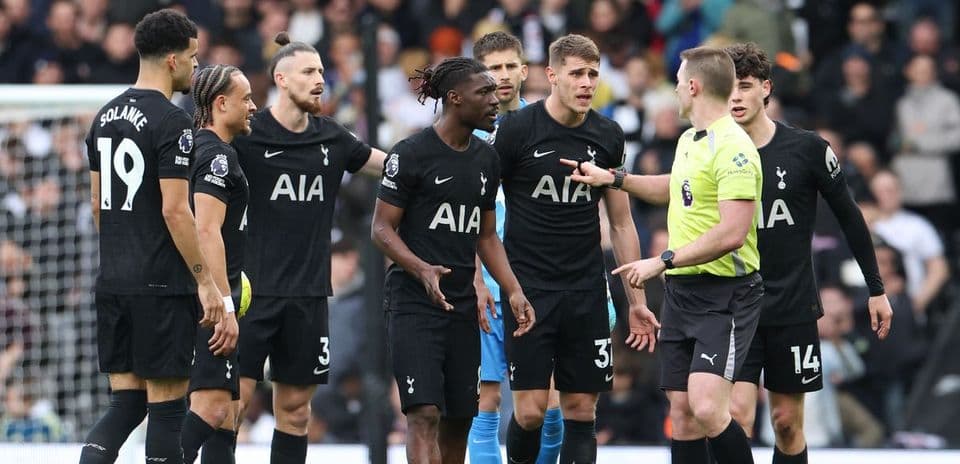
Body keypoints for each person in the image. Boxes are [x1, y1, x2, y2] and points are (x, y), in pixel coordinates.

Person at [564, 46, 762, 464]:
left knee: (707, 407)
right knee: (683, 414)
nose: (674, 89)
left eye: (678, 81)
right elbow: (675, 187)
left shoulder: (735, 147)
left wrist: (662, 260)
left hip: (724, 293)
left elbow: (733, 232)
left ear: (694, 86)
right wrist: (613, 178)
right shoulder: (691, 139)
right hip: (682, 293)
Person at [721, 42, 894, 464]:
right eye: (727, 89)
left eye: (745, 86)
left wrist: (876, 289)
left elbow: (851, 218)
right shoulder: (712, 151)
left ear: (766, 88)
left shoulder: (808, 148)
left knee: (786, 423)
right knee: (736, 416)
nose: (736, 97)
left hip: (792, 307)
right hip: (733, 306)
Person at [493, 34, 659, 464]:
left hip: (585, 289)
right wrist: (482, 279)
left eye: (593, 74)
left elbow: (621, 222)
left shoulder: (608, 135)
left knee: (582, 410)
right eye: (577, 73)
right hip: (529, 290)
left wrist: (636, 301)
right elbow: (482, 210)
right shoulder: (516, 130)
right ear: (551, 75)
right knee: (530, 412)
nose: (586, 82)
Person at [230, 32, 387, 464]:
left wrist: (438, 159)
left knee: (297, 412)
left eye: (321, 71)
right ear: (281, 79)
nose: (319, 80)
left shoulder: (332, 137)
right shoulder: (247, 134)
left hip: (309, 296)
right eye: (308, 72)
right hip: (252, 293)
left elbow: (387, 165)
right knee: (230, 407)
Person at [371, 56, 536, 464]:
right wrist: (420, 268)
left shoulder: (487, 159)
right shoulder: (411, 153)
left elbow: (486, 236)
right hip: (414, 303)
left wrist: (514, 290)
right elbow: (381, 228)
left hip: (462, 305)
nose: (495, 100)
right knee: (424, 413)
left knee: (460, 419)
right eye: (484, 92)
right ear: (454, 98)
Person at [80, 9, 226, 464]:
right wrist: (204, 280)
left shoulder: (104, 116)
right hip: (161, 285)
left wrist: (124, 253)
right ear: (172, 59)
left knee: (124, 405)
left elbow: (97, 204)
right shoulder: (173, 121)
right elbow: (175, 209)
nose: (196, 66)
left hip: (114, 281)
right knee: (167, 409)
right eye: (193, 57)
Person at [466, 30, 562, 464]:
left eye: (509, 66)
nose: (502, 76)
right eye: (493, 68)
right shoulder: (464, 134)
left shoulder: (548, 126)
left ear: (525, 70)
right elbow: (463, 217)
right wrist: (474, 280)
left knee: (550, 400)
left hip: (541, 280)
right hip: (486, 284)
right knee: (485, 398)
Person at [180, 64, 257, 464]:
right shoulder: (216, 157)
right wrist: (225, 306)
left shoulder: (200, 149)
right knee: (211, 408)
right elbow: (206, 231)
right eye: (246, 99)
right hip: (209, 304)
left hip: (206, 297)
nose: (253, 106)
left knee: (228, 414)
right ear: (221, 103)